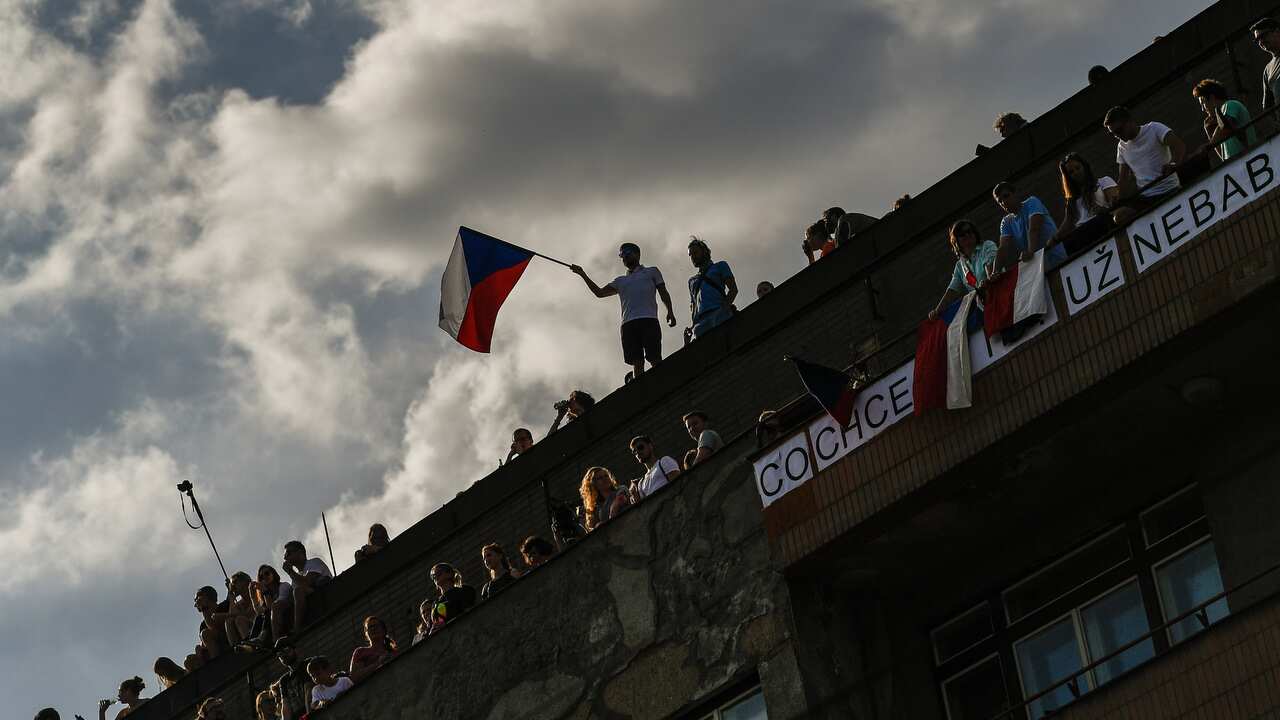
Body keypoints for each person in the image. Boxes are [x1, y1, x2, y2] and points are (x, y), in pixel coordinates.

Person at [570, 243, 677, 378]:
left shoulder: (652, 271)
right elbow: (599, 292)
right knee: (636, 362)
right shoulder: (620, 281)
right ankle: (639, 391)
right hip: (628, 324)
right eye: (622, 255)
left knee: (654, 357)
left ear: (637, 254)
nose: (624, 257)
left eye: (627, 253)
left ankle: (662, 383)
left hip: (649, 319)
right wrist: (582, 274)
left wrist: (670, 311)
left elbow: (663, 293)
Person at [1104, 106, 1186, 223]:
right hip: (1146, 198)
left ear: (1129, 121)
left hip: (1170, 190)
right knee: (1119, 217)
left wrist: (1174, 164)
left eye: (1118, 130)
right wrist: (1117, 200)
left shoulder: (1154, 128)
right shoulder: (1121, 147)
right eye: (1113, 134)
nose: (1117, 136)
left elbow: (1179, 146)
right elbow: (1123, 178)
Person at [928, 220, 999, 321]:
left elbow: (991, 268)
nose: (967, 235)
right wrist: (936, 311)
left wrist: (988, 280)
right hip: (984, 309)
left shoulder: (987, 246)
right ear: (956, 242)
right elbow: (952, 290)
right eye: (962, 234)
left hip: (999, 295)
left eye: (969, 231)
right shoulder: (959, 266)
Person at [992, 181, 1066, 272]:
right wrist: (994, 273)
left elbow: (1034, 229)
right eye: (1000, 201)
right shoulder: (1006, 222)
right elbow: (1002, 248)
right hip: (1039, 270)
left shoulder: (1032, 202)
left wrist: (1030, 252)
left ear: (1015, 194)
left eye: (1006, 196)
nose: (1004, 202)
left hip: (1057, 261)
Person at [1054, 153, 1120, 254]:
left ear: (1084, 166)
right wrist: (1054, 239)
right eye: (1071, 172)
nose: (1076, 172)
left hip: (1102, 222)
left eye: (1077, 168)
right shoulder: (1072, 201)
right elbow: (1067, 223)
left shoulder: (1103, 182)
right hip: (1082, 233)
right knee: (1067, 243)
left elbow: (1115, 203)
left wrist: (1103, 209)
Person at [686, 236, 737, 340]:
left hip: (718, 313)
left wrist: (724, 309)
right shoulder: (692, 281)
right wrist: (693, 326)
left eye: (695, 252)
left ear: (704, 251)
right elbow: (694, 306)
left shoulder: (720, 266)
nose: (693, 257)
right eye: (690, 255)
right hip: (700, 323)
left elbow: (733, 289)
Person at [1193, 79, 1256, 161]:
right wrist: (1210, 132)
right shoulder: (1220, 128)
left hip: (1249, 158)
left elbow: (1225, 128)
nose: (1203, 109)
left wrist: (1209, 144)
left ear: (1212, 98)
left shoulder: (1230, 104)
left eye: (1203, 103)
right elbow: (1223, 157)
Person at [281, 540, 332, 635]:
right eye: (285, 555)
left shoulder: (314, 562)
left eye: (288, 553)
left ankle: (297, 629)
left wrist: (290, 572)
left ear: (300, 552)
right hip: (315, 611)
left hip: (325, 599)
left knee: (298, 591)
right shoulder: (295, 579)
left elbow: (307, 582)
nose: (285, 557)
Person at [242, 564, 293, 650]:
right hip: (272, 621)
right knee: (259, 617)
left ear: (273, 574)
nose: (264, 577)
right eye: (261, 577)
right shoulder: (265, 595)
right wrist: (253, 596)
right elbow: (260, 612)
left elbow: (273, 607)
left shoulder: (283, 586)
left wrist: (265, 591)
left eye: (267, 573)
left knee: (268, 611)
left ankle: (263, 639)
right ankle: (251, 643)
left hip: (286, 617)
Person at [270, 639, 318, 720]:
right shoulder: (284, 680)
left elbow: (309, 691)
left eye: (286, 650)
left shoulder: (308, 664)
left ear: (295, 649)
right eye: (279, 654)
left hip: (315, 712)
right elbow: (286, 707)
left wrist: (309, 716)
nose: (283, 655)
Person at [185, 585, 230, 671]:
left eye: (199, 597)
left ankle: (216, 664)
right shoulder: (203, 624)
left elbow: (214, 627)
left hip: (227, 640)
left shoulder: (225, 606)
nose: (196, 602)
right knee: (189, 659)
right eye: (196, 600)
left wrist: (204, 608)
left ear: (208, 596)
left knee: (205, 633)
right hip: (213, 649)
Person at [427, 562, 477, 636]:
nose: (435, 576)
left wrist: (446, 624)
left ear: (450, 574)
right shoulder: (435, 603)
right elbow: (432, 625)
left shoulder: (464, 590)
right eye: (433, 576)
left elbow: (468, 612)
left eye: (438, 573)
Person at [628, 435, 682, 501]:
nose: (637, 452)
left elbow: (679, 485)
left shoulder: (664, 461)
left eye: (640, 447)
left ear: (650, 446)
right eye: (634, 452)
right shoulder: (641, 483)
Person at [348, 615, 398, 683]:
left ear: (383, 630)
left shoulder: (392, 652)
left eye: (376, 626)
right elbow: (354, 677)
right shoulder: (360, 652)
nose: (373, 629)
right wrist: (378, 663)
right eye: (370, 627)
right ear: (366, 633)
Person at [579, 467, 630, 532]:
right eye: (600, 478)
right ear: (593, 484)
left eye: (606, 476)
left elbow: (616, 507)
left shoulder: (621, 490)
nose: (605, 479)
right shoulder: (596, 507)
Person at [1253, 17, 1280, 112]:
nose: (1261, 42)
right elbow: (1267, 108)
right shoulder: (1267, 70)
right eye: (1257, 40)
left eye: (1263, 36)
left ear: (1277, 31)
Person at [224, 571, 255, 646]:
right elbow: (232, 616)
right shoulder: (239, 604)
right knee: (228, 622)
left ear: (245, 582)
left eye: (235, 582)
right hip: (248, 627)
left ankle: (251, 645)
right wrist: (231, 596)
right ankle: (235, 648)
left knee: (240, 620)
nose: (233, 586)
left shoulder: (257, 594)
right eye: (231, 584)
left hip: (259, 625)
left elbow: (250, 613)